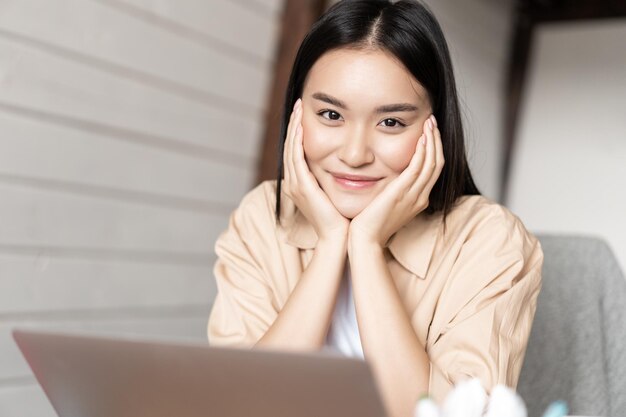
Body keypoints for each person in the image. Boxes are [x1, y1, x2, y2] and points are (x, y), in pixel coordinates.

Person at [208, 1, 543, 416]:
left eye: (391, 123)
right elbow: (244, 405)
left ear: (434, 128)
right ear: (298, 115)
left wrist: (365, 245)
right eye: (331, 114)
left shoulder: (490, 240)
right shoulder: (262, 216)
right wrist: (332, 241)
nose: (354, 154)